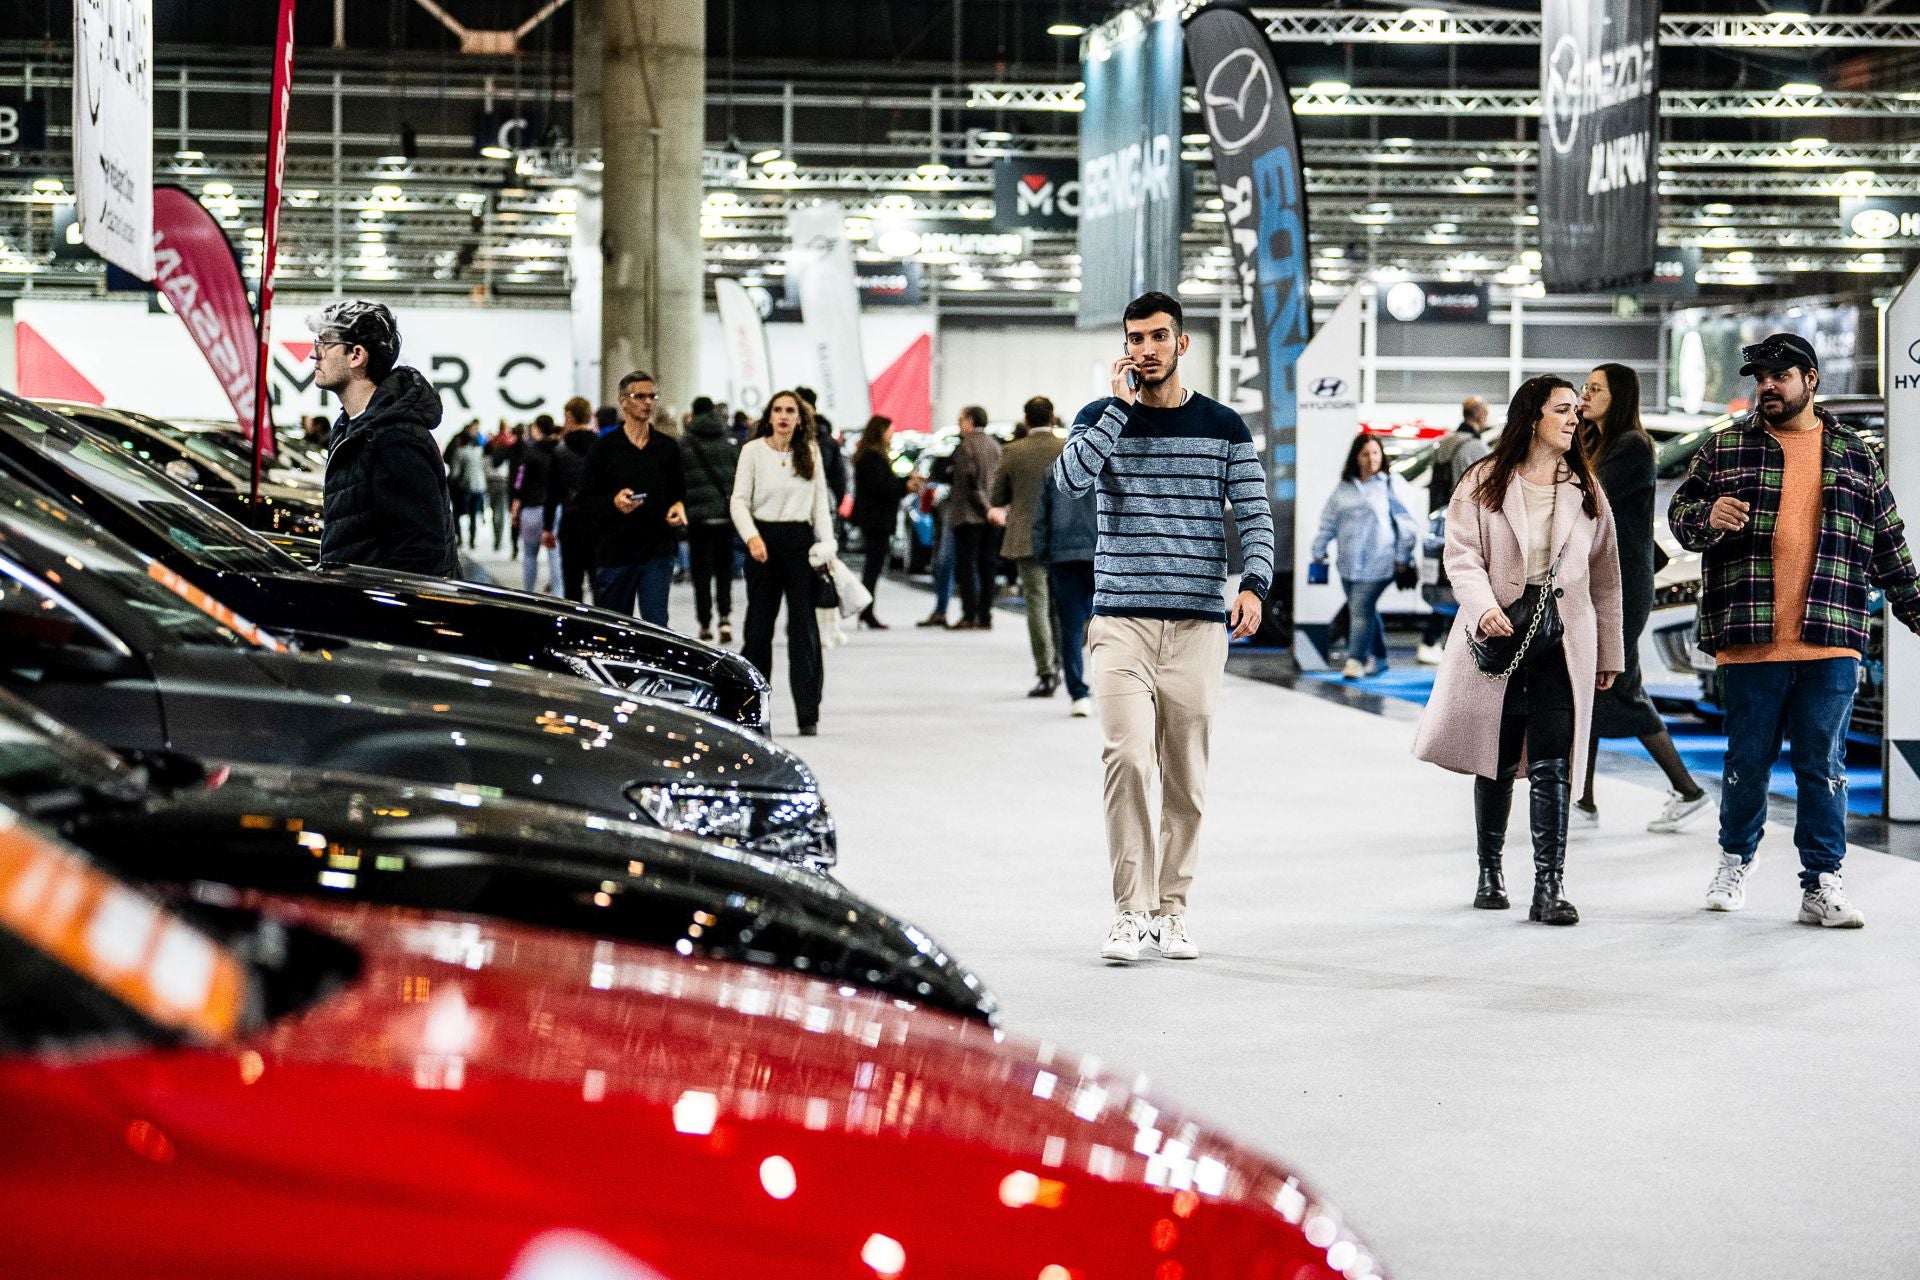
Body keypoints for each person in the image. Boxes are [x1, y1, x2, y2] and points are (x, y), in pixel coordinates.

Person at [1669, 333, 1920, 928]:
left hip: (1831, 630)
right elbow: (1681, 518)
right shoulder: (1725, 448)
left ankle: (1821, 883)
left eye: (1779, 376)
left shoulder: (1855, 455)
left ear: (1809, 378)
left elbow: (1889, 546)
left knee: (1822, 763)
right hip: (1750, 632)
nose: (1766, 387)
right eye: (1759, 377)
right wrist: (1706, 518)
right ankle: (1735, 859)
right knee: (1747, 760)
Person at [1053, 291, 1273, 964]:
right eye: (1134, 338)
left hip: (1198, 627)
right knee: (1126, 757)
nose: (1144, 349)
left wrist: (1256, 585)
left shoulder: (1224, 425)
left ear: (1181, 344)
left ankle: (1172, 909)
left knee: (1185, 778)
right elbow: (1069, 483)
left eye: (1156, 337)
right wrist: (1117, 408)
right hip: (1120, 621)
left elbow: (1257, 515)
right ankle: (1129, 912)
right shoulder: (1100, 419)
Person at [1413, 375, 1624, 927]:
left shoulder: (1586, 488)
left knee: (1555, 762)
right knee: (1497, 755)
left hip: (1564, 640)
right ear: (1532, 417)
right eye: (1562, 410)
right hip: (1501, 633)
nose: (1574, 418)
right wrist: (1483, 607)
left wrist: (1610, 654)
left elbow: (1606, 579)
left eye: (1577, 410)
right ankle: (1490, 872)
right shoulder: (1483, 481)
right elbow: (1460, 557)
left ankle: (1549, 887)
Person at [1574, 363, 1709, 832]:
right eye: (1584, 388)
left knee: (1619, 682)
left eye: (1595, 390)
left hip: (1622, 585)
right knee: (1592, 683)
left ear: (1619, 397)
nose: (1584, 396)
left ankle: (1688, 790)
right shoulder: (1596, 441)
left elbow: (1591, 500)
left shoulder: (1631, 445)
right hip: (1605, 581)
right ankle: (1583, 798)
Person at [307, 299, 459, 577]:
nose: (313, 354)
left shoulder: (395, 437)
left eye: (324, 343)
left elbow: (420, 554)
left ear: (356, 355)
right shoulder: (351, 427)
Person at [732, 390, 836, 736]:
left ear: (800, 418)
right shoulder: (753, 451)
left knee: (803, 631)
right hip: (763, 542)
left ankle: (808, 714)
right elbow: (739, 501)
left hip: (800, 544)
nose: (783, 416)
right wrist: (751, 537)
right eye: (777, 410)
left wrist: (827, 545)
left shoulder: (811, 453)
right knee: (758, 630)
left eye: (790, 411)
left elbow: (820, 504)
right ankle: (751, 712)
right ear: (769, 415)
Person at [577, 371, 688, 625]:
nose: (648, 402)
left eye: (652, 396)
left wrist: (678, 506)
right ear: (623, 400)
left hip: (657, 550)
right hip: (616, 552)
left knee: (656, 627)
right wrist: (613, 503)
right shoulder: (604, 448)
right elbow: (584, 500)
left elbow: (680, 491)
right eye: (640, 396)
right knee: (613, 629)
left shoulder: (667, 447)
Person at [1311, 433, 1418, 680]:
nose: (1371, 459)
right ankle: (1380, 659)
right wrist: (1319, 549)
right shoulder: (1345, 487)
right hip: (1347, 564)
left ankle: (1355, 660)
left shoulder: (1391, 483)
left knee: (1359, 608)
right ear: (1356, 457)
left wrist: (1403, 557)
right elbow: (1329, 520)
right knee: (1366, 610)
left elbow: (1407, 524)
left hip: (1380, 562)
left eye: (1376, 453)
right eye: (1366, 453)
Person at [991, 397, 1068, 694]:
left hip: (1025, 535)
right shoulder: (1065, 448)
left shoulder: (1012, 451)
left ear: (1026, 420)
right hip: (1062, 536)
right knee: (1061, 604)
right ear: (1053, 418)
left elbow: (997, 496)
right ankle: (1063, 660)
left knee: (1036, 603)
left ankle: (1046, 671)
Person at [1417, 395, 1493, 664]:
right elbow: (1482, 489)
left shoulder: (1445, 443)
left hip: (1442, 524)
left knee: (1444, 583)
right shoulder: (1473, 447)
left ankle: (1434, 641)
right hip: (1465, 525)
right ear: (1480, 415)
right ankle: (1452, 646)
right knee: (1463, 585)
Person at [1032, 464, 1098, 718]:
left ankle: (1079, 694)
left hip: (1063, 557)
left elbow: (1040, 518)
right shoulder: (1104, 466)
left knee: (1069, 628)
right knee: (1114, 624)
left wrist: (1042, 554)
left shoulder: (1054, 470)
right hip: (1100, 554)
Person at [680, 395, 741, 643]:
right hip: (724, 517)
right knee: (724, 571)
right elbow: (738, 477)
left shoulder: (685, 444)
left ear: (693, 414)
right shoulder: (729, 441)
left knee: (701, 573)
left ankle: (704, 623)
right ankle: (725, 618)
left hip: (697, 520)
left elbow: (680, 481)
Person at [948, 406, 1004, 631]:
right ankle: (985, 615)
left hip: (970, 517)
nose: (959, 424)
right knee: (987, 566)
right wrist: (995, 509)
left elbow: (971, 482)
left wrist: (985, 507)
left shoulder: (966, 446)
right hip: (993, 518)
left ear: (970, 421)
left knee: (967, 566)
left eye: (961, 419)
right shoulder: (995, 446)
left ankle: (969, 615)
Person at [850, 415, 908, 629]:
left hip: (874, 519)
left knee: (873, 566)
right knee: (873, 567)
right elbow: (882, 488)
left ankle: (867, 610)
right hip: (876, 520)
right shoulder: (872, 458)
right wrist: (904, 486)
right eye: (889, 431)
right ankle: (866, 610)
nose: (891, 436)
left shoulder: (870, 457)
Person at [547, 396, 599, 603]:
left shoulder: (560, 450)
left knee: (572, 584)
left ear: (569, 416)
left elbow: (552, 493)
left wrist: (547, 527)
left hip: (572, 522)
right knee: (599, 582)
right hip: (598, 523)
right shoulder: (602, 447)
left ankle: (577, 630)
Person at [511, 415, 561, 595]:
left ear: (537, 428)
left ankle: (529, 593)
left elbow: (520, 480)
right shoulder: (560, 449)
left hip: (531, 508)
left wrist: (516, 505)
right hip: (555, 508)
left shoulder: (530, 452)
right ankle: (559, 594)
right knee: (555, 555)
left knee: (530, 554)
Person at [442, 419, 488, 550]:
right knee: (473, 515)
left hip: (465, 487)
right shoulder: (479, 451)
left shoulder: (460, 452)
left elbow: (455, 473)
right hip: (479, 486)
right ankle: (473, 540)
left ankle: (460, 538)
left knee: (457, 512)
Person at [483, 421, 518, 554]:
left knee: (494, 511)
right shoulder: (509, 443)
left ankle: (496, 537)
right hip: (503, 480)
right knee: (501, 512)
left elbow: (485, 461)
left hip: (491, 480)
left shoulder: (491, 443)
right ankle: (499, 538)